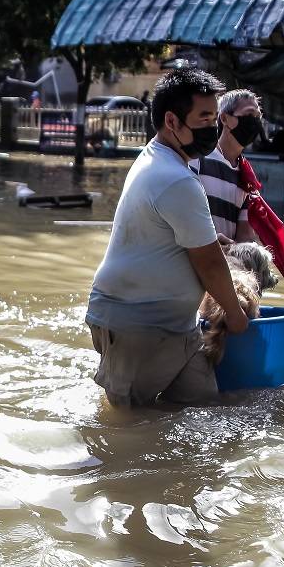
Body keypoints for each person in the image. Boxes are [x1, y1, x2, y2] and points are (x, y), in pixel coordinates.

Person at [85, 68, 249, 407]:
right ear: (172, 121)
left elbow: (167, 235)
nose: (212, 127)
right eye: (203, 118)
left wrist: (205, 238)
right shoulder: (176, 179)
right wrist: (235, 315)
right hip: (135, 326)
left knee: (203, 409)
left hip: (177, 327)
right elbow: (210, 265)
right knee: (126, 432)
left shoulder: (157, 157)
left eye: (215, 117)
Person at [193, 89, 262, 245]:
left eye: (258, 117)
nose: (255, 122)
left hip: (224, 265)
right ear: (224, 118)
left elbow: (244, 239)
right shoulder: (198, 160)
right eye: (249, 115)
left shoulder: (247, 178)